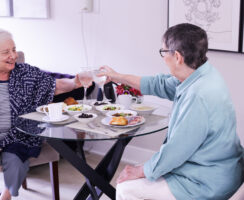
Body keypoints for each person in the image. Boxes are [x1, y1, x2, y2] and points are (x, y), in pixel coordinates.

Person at [99, 23, 243, 200]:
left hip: (207, 181)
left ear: (177, 57)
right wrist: (117, 76)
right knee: (143, 171)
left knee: (126, 186)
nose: (163, 57)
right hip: (222, 168)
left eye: (163, 52)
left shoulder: (198, 95)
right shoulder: (201, 75)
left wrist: (142, 170)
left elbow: (177, 150)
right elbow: (156, 84)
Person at [0, 29, 82, 200]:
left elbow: (54, 85)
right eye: (6, 52)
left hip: (19, 134)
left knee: (16, 163)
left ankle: (4, 197)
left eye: (14, 50)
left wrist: (75, 82)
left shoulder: (25, 73)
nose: (13, 56)